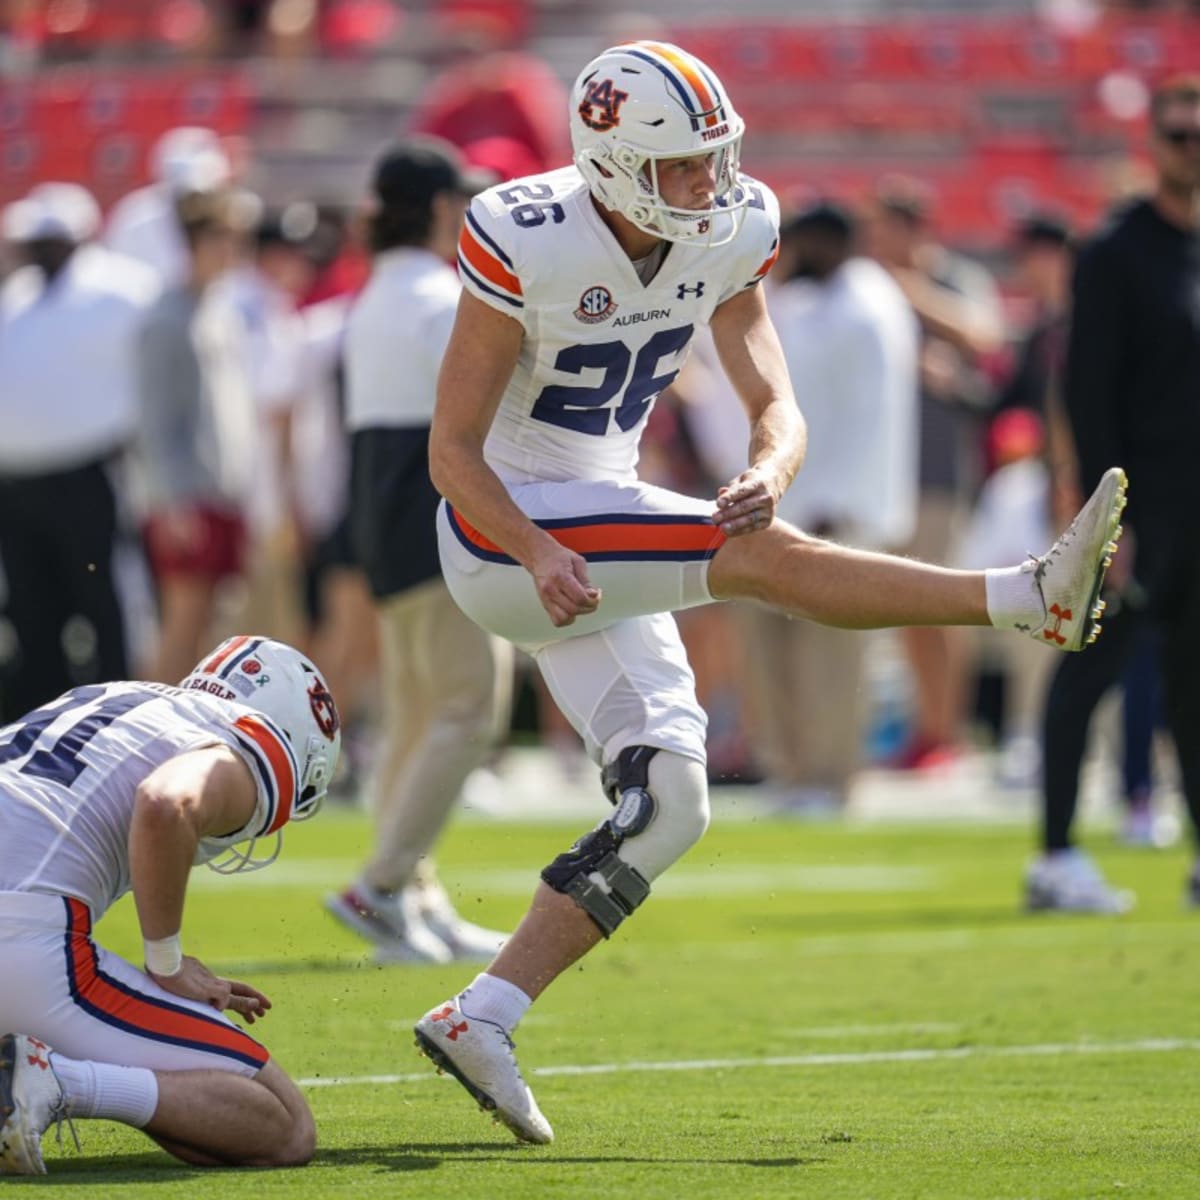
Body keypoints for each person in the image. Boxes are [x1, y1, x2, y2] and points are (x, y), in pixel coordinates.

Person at [410, 40, 1126, 1145]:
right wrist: (538, 551)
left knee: (675, 805)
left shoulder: (736, 229)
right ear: (612, 162)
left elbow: (774, 399)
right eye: (684, 167)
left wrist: (768, 468)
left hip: (599, 510)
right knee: (753, 560)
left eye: (716, 157)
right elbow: (452, 450)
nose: (710, 184)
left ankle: (484, 1011)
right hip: (507, 527)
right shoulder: (525, 233)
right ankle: (1023, 595)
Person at [0, 635, 341, 1174]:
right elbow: (165, 803)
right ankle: (57, 1084)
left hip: (18, 919)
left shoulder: (113, 695)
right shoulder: (252, 739)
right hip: (18, 941)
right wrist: (167, 962)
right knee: (283, 1126)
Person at [324, 138, 515, 963]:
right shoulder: (442, 296)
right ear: (438, 209)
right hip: (437, 518)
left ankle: (415, 899)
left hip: (388, 515)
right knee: (470, 706)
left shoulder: (378, 294)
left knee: (415, 714)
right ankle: (384, 885)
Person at [1024, 74, 1200, 913]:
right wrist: (1104, 518)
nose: (1191, 148)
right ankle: (1055, 855)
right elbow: (1087, 394)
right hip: (1138, 511)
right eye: (1178, 134)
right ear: (1154, 143)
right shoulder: (1115, 253)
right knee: (1087, 673)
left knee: (1193, 686)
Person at [738, 200, 919, 812]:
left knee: (833, 655)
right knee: (783, 647)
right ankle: (794, 772)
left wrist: (832, 502)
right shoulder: (829, 301)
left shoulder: (862, 307)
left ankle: (830, 776)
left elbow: (861, 421)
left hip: (835, 510)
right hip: (799, 502)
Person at [0, 183, 159, 721]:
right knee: (32, 614)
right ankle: (38, 733)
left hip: (88, 476)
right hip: (18, 485)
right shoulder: (16, 294)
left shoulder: (124, 289)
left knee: (103, 609)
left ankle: (113, 724)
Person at [867, 179, 1006, 769]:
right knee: (902, 607)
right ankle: (926, 728)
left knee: (942, 603)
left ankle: (946, 732)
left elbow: (985, 335)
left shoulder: (952, 278)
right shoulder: (866, 285)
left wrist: (908, 290)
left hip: (939, 473)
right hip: (884, 475)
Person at [136, 189, 257, 685]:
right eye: (221, 237)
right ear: (194, 241)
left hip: (223, 491)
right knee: (182, 624)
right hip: (187, 500)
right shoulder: (167, 318)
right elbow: (155, 419)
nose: (232, 249)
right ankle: (138, 737)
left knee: (213, 631)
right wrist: (173, 501)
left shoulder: (219, 310)